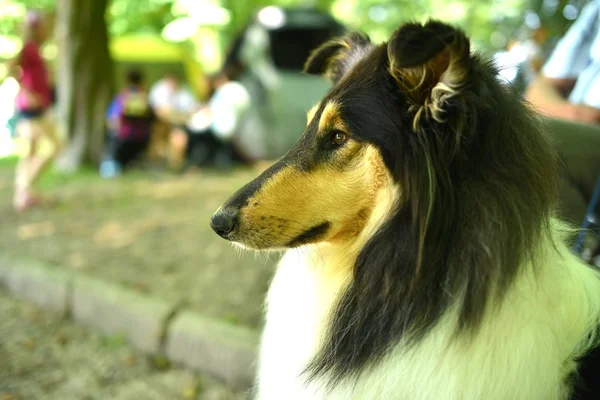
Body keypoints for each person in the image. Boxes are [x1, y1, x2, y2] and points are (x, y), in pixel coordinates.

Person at [525, 1, 600, 236]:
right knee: (520, 136)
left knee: (541, 141)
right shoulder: (596, 10)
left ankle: (579, 264)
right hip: (580, 126)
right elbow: (539, 90)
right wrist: (579, 114)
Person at [9, 10, 61, 212]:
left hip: (36, 107)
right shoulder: (29, 49)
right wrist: (26, 90)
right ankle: (25, 188)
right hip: (31, 109)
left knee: (31, 152)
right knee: (54, 146)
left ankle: (22, 195)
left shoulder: (36, 50)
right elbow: (12, 68)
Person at [100, 69, 153, 178]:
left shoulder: (123, 97)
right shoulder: (146, 97)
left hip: (123, 139)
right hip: (143, 139)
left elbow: (113, 119)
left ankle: (112, 166)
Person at [148, 73, 200, 170]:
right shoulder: (158, 90)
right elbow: (159, 111)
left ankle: (175, 166)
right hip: (161, 125)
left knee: (179, 139)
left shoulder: (184, 91)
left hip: (179, 124)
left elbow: (192, 107)